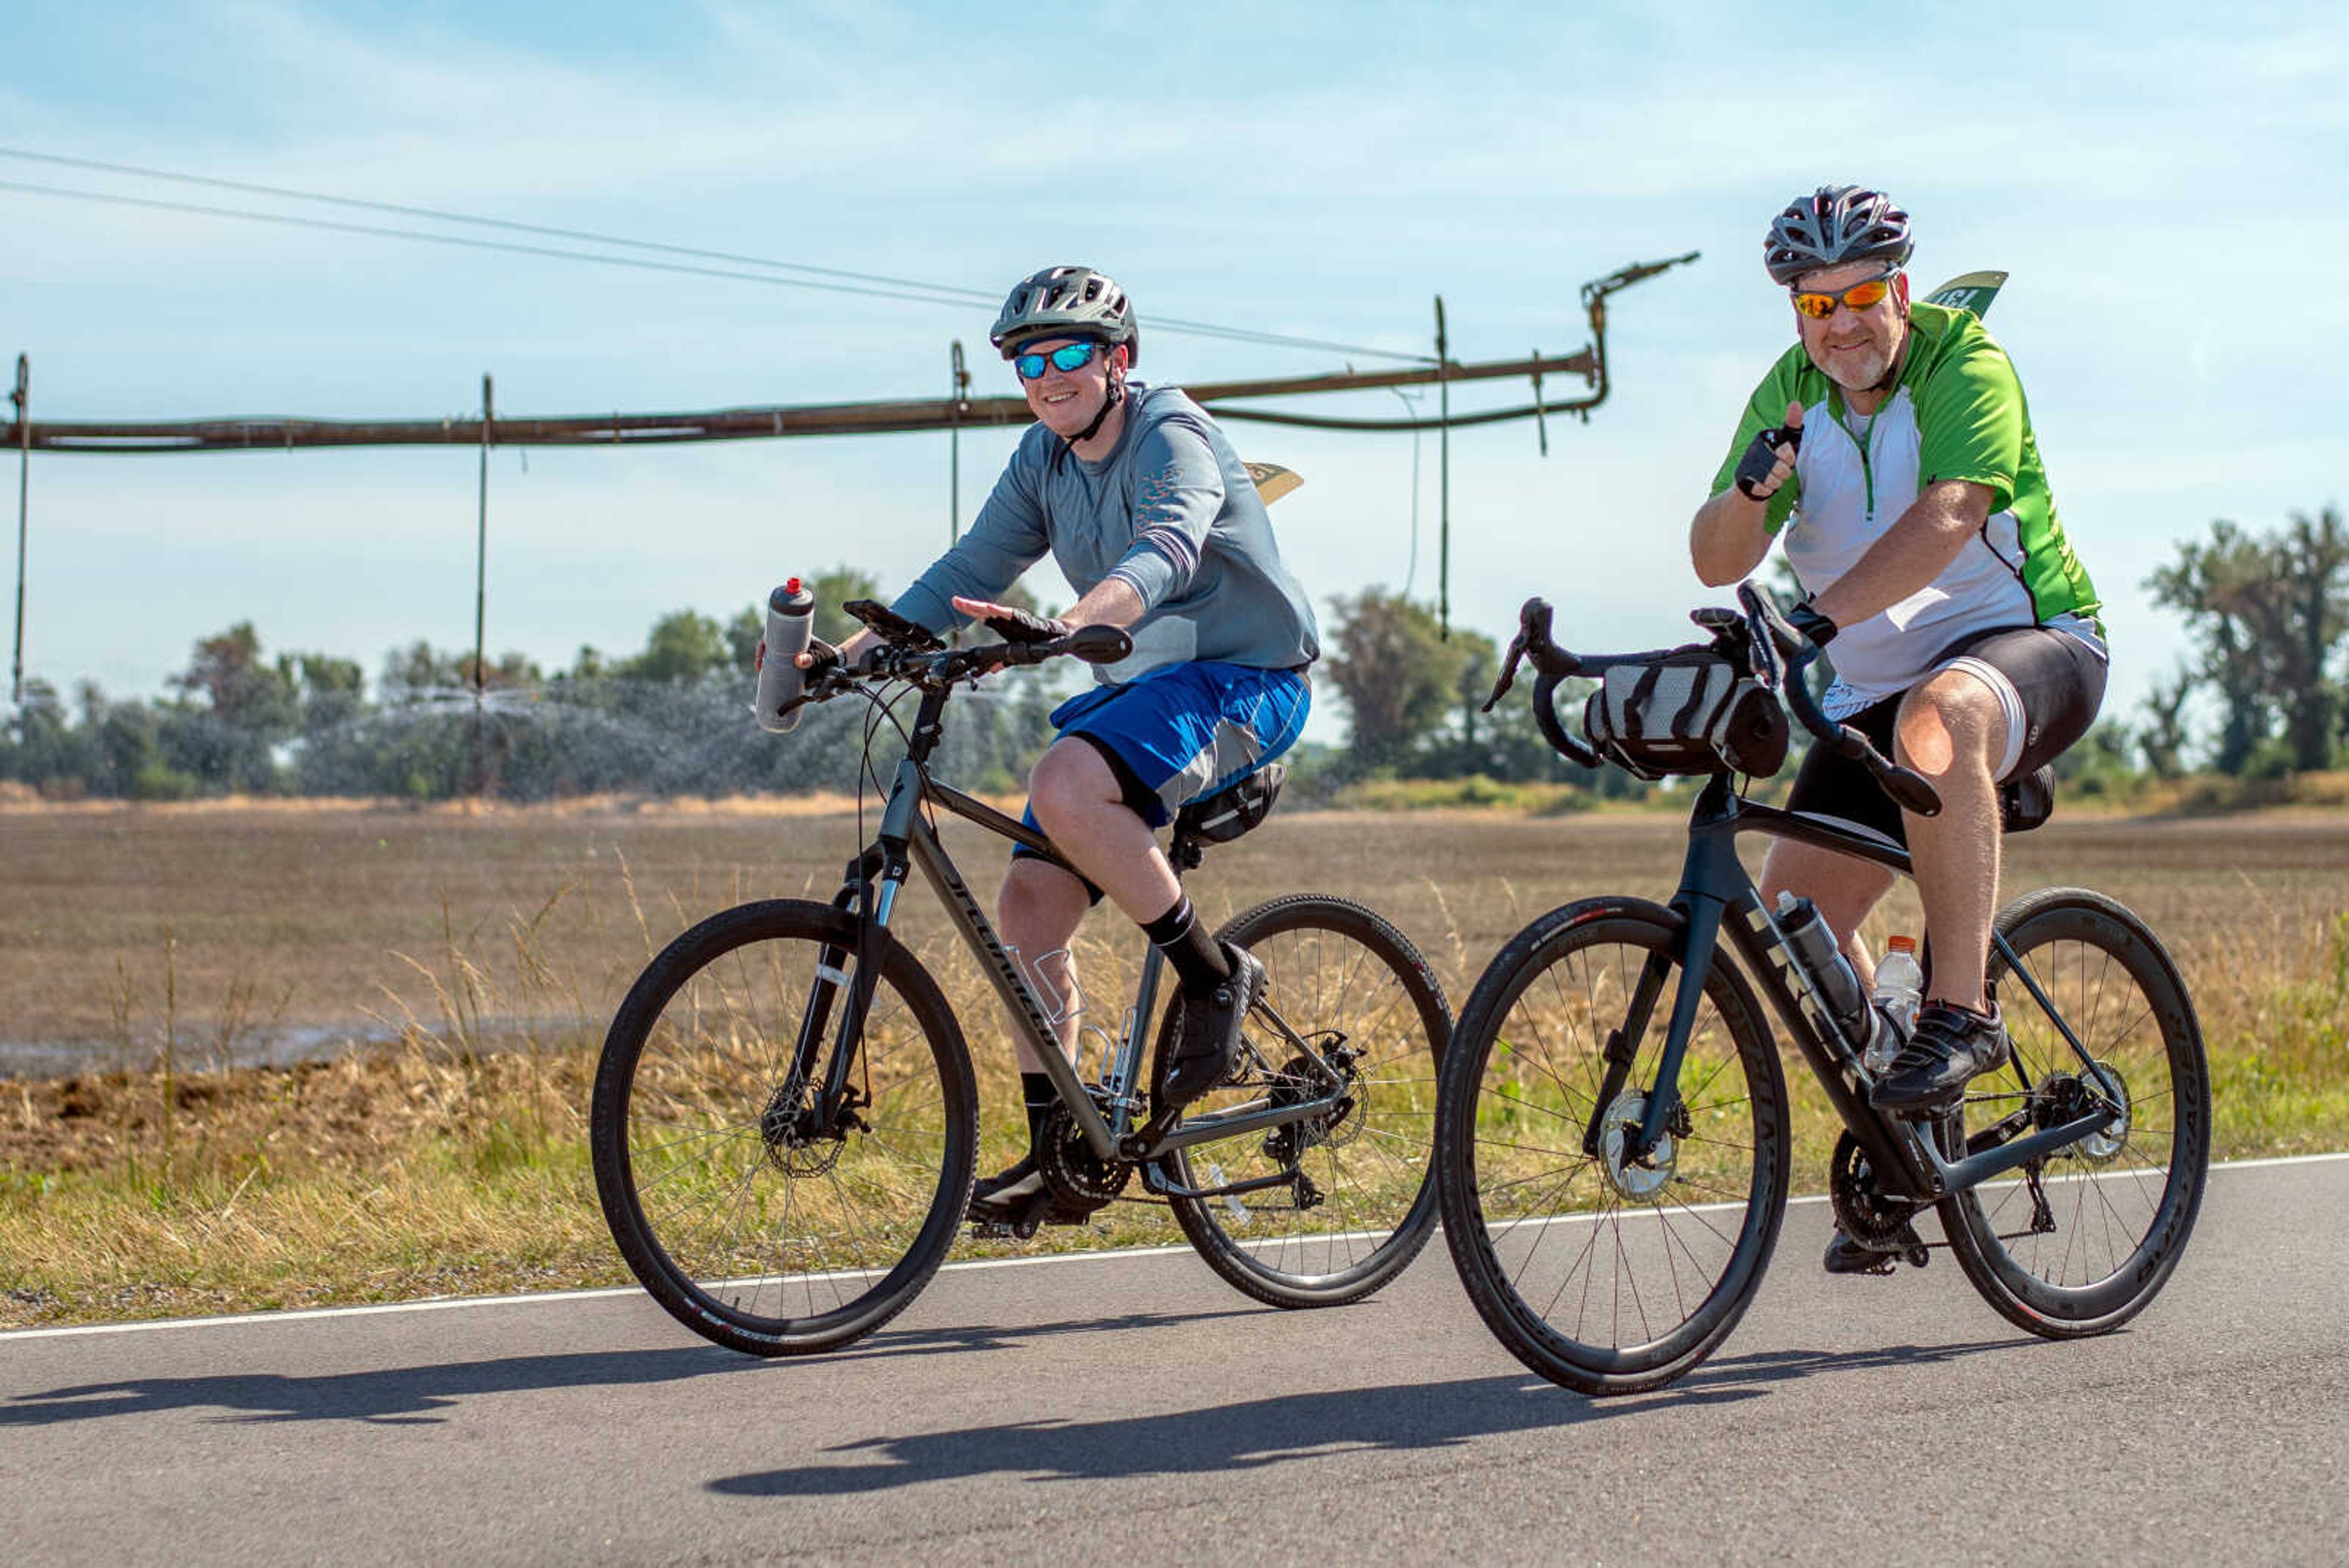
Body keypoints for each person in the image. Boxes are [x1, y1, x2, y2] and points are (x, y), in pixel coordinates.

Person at [804, 264, 1319, 1222]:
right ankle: (1066, 1152)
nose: (1047, 376)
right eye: (1028, 361)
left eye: (1070, 353)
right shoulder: (1043, 459)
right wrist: (850, 656)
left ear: (1118, 359)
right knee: (1029, 909)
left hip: (1245, 680)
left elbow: (1165, 547)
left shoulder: (1175, 433)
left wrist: (1071, 620)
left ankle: (1217, 977)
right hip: (1142, 692)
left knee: (1065, 780)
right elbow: (968, 566)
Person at [1687, 186, 2107, 1271]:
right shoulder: (1790, 394)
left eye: (1863, 296)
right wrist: (1748, 494)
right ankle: (1901, 1105)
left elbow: (1952, 515)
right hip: (1867, 691)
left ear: (1901, 291)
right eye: (1815, 306)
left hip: (2031, 644)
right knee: (1787, 918)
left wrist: (1818, 614)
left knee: (1940, 717)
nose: (1842, 325)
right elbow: (1715, 558)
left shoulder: (1965, 363)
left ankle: (1958, 1015)